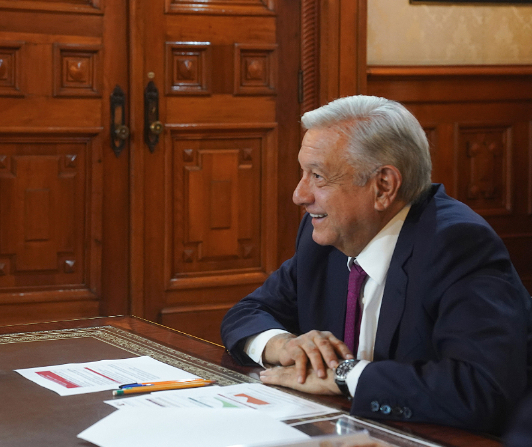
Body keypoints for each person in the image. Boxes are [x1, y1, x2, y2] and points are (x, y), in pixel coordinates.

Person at [220, 95, 531, 433]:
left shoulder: (457, 246)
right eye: (303, 173)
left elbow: (479, 387)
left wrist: (344, 376)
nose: (300, 194)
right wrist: (283, 346)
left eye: (319, 176)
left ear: (383, 186)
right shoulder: (325, 239)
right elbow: (246, 312)